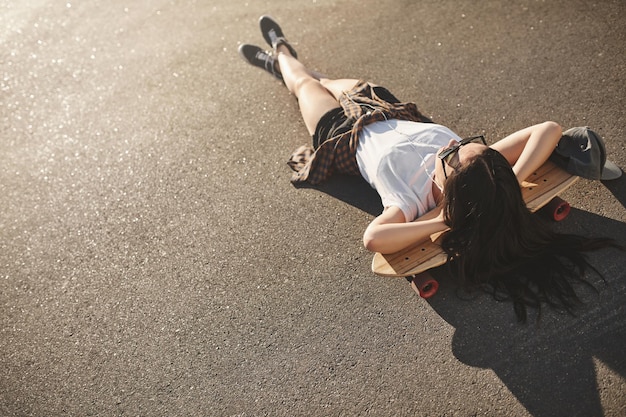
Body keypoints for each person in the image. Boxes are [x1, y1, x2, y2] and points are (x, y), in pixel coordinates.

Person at [238, 16, 621, 322]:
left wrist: (443, 221)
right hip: (388, 107)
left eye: (451, 153)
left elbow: (374, 238)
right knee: (326, 79)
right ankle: (292, 63)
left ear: (450, 184)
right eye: (466, 144)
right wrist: (512, 178)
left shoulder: (414, 199)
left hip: (342, 135)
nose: (457, 145)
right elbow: (548, 130)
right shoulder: (482, 167)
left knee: (304, 83)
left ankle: (280, 53)